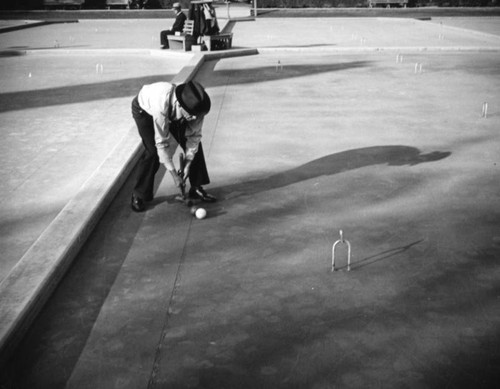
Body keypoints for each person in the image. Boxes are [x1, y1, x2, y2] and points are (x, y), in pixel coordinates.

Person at [130, 80, 217, 212]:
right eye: (191, 116)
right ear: (180, 106)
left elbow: (194, 138)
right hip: (145, 111)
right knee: (152, 151)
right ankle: (139, 194)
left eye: (196, 116)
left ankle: (197, 187)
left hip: (174, 112)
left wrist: (188, 164)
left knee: (195, 146)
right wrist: (174, 175)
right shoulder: (161, 105)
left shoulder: (197, 107)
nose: (195, 119)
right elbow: (162, 144)